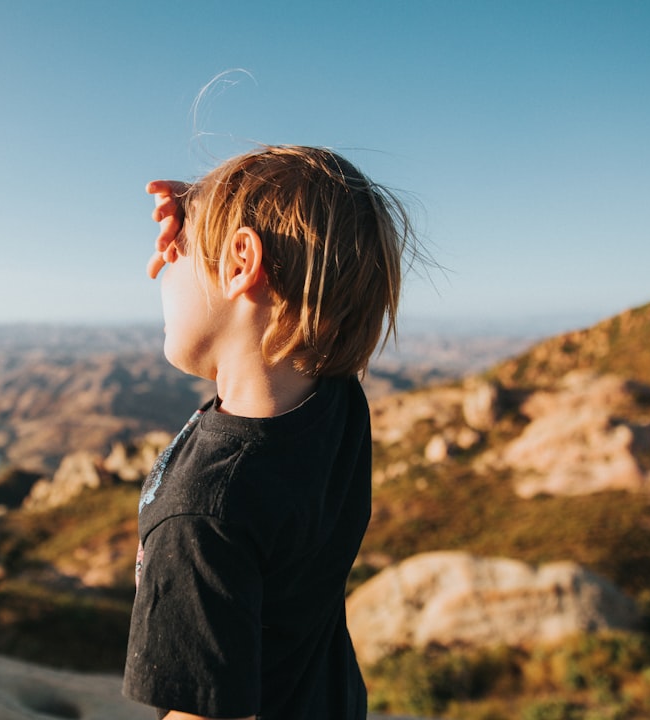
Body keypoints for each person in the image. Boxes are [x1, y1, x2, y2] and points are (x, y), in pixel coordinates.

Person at [123, 145, 416, 720]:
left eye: (177, 254)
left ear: (240, 261)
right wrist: (209, 216)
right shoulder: (335, 406)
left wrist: (216, 225)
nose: (161, 268)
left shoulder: (203, 517)